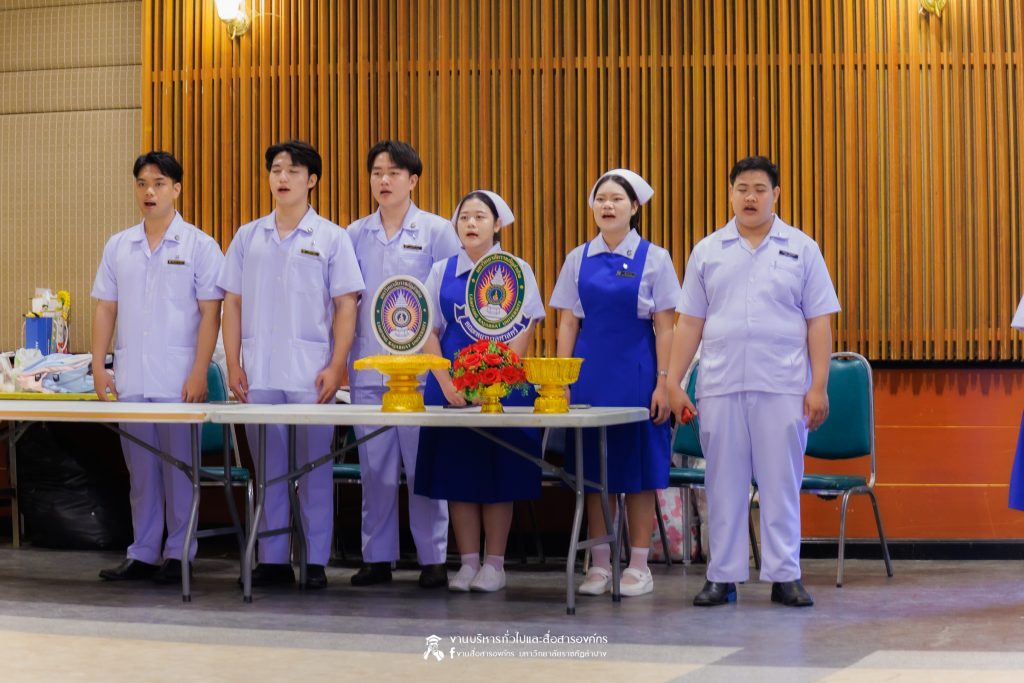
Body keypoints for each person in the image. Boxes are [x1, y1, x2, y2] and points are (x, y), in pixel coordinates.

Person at [667, 155, 839, 607]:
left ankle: (785, 576)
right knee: (723, 483)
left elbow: (819, 322)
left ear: (775, 194)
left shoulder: (802, 248)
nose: (750, 197)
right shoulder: (708, 250)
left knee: (781, 483)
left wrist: (818, 385)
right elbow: (689, 323)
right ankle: (722, 577)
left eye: (760, 189)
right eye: (742, 188)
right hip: (720, 384)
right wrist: (673, 381)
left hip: (783, 385)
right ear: (730, 194)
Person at [219, 140, 363, 589]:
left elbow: (346, 305)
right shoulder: (248, 237)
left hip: (311, 374)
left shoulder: (332, 237)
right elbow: (232, 302)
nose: (282, 178)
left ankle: (315, 561)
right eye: (276, 169)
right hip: (259, 374)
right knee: (269, 472)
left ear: (312, 180)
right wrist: (233, 363)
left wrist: (337, 365)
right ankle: (273, 560)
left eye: (293, 171)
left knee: (314, 471)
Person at [92, 151, 224, 584]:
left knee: (179, 472)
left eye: (159, 183)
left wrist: (200, 371)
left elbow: (211, 314)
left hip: (178, 381)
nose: (149, 192)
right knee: (142, 474)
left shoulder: (200, 246)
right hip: (132, 379)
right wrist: (98, 365)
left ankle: (180, 553)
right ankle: (144, 552)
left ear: (176, 189)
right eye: (142, 184)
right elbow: (106, 308)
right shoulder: (119, 246)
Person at [549, 169, 678, 597]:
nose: (607, 205)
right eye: (601, 199)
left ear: (634, 207)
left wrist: (664, 383)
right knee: (593, 471)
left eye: (616, 199)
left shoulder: (655, 258)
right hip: (590, 377)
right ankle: (600, 565)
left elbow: (666, 327)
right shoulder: (577, 258)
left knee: (637, 470)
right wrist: (562, 380)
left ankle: (639, 565)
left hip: (638, 375)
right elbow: (568, 322)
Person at [414, 190, 545, 592]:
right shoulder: (441, 271)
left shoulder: (517, 269)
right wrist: (446, 382)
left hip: (502, 389)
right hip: (450, 387)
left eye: (480, 217)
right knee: (458, 472)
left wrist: (495, 382)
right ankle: (468, 562)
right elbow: (428, 329)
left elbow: (526, 328)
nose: (471, 224)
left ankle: (495, 564)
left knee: (497, 471)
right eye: (465, 217)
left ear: (497, 224)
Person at [345, 140, 460, 588]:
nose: (384, 180)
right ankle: (377, 557)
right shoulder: (354, 233)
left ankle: (433, 558)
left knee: (422, 466)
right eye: (377, 172)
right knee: (374, 469)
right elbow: (347, 302)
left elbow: (447, 297)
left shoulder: (437, 231)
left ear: (413, 180)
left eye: (394, 172)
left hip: (421, 373)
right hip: (369, 368)